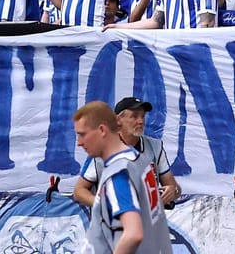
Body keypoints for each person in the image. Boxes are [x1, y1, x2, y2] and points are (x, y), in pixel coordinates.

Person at [72, 101, 172, 254]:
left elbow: (133, 233)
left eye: (83, 135)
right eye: (134, 116)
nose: (79, 143)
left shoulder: (119, 170)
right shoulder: (138, 160)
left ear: (102, 130)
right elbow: (79, 191)